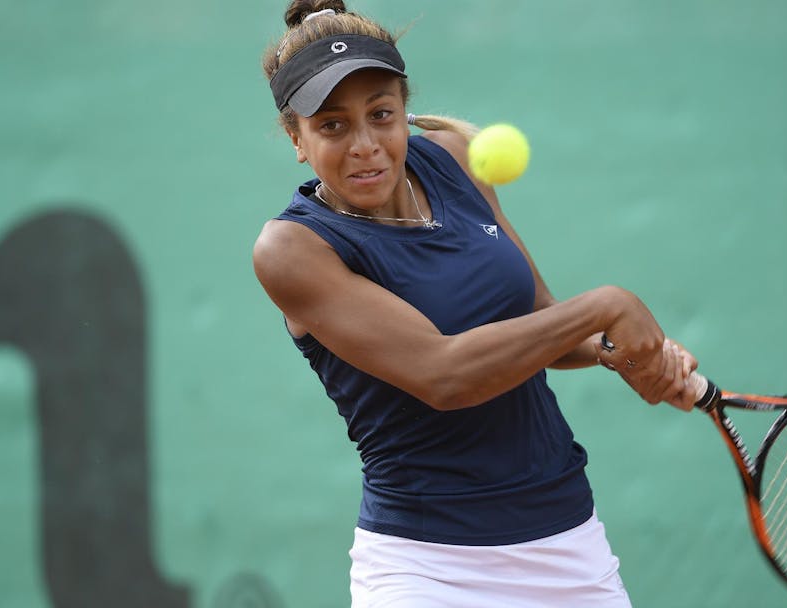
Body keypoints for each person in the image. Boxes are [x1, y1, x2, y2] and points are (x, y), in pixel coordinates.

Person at [254, 2, 699, 606]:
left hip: (567, 543)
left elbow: (535, 319)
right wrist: (607, 307)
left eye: (382, 115)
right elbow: (445, 375)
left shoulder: (455, 159)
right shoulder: (292, 249)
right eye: (332, 126)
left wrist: (621, 353)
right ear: (296, 138)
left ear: (404, 110)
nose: (365, 145)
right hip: (425, 570)